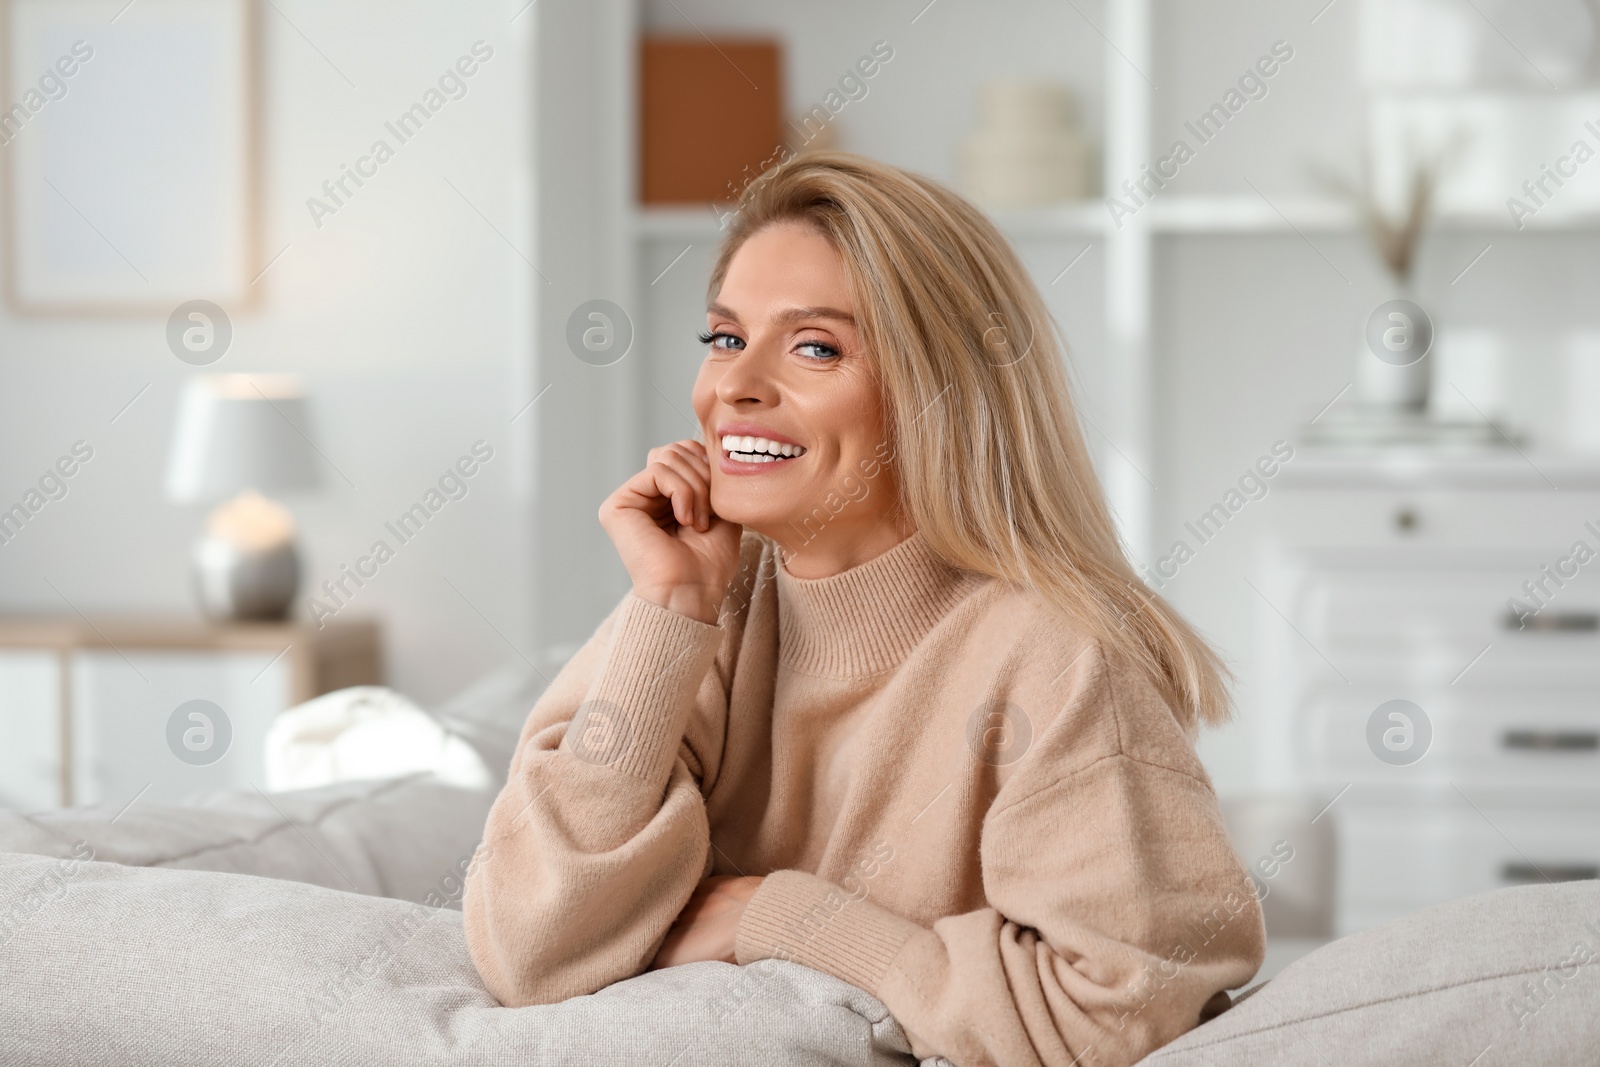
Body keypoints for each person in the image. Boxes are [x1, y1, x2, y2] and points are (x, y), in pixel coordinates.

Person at [463, 151, 1264, 1067]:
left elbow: (1128, 1013)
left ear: (939, 396)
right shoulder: (697, 608)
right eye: (725, 338)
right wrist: (672, 608)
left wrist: (782, 916)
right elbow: (528, 950)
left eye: (815, 347)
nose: (734, 386)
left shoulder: (1058, 658)